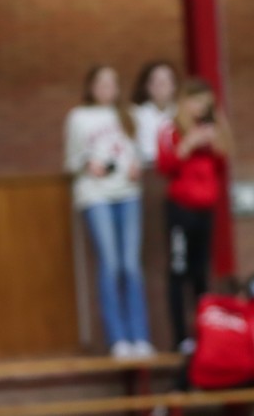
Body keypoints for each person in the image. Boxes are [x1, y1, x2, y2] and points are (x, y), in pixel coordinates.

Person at [64, 65, 154, 358]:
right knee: (111, 264)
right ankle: (118, 339)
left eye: (112, 83)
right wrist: (88, 162)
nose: (107, 88)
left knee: (131, 266)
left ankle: (140, 336)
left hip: (128, 193)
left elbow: (144, 152)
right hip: (96, 195)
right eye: (101, 83)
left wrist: (137, 165)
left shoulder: (131, 114)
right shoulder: (79, 117)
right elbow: (71, 161)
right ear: (91, 87)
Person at [157, 77, 233, 353]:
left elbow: (222, 165)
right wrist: (188, 144)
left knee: (201, 273)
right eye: (196, 101)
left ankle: (204, 334)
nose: (201, 107)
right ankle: (180, 338)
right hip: (181, 209)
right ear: (185, 102)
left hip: (205, 209)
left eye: (205, 102)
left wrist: (214, 140)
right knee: (179, 271)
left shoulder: (212, 129)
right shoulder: (171, 130)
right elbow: (165, 165)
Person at [132, 60, 179, 168]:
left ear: (174, 85)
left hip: (176, 168)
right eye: (156, 82)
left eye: (165, 81)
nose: (160, 86)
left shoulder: (182, 113)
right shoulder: (136, 114)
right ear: (147, 86)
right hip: (148, 168)